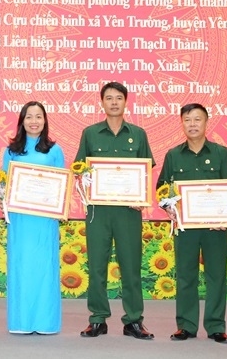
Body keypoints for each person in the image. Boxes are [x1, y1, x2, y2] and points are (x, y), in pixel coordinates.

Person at [74, 81, 155, 340]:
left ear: (125, 102)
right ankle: (98, 319)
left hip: (128, 211)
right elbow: (79, 168)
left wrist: (141, 197)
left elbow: (146, 170)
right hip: (98, 210)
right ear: (102, 103)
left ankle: (133, 320)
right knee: (97, 265)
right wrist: (85, 183)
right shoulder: (90, 133)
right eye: (108, 98)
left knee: (130, 266)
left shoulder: (138, 134)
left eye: (118, 98)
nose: (113, 102)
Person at [156, 103, 227, 344]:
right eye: (188, 120)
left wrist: (226, 218)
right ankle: (186, 326)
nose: (192, 124)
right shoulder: (173, 155)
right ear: (182, 123)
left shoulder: (222, 153)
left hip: (215, 228)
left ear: (206, 122)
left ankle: (216, 326)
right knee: (186, 276)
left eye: (197, 119)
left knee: (216, 276)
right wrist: (168, 205)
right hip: (185, 227)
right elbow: (162, 189)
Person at [1, 101, 64, 334]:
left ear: (45, 120)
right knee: (22, 267)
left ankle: (45, 322)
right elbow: (5, 183)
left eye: (38, 117)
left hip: (45, 220)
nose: (34, 121)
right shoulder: (12, 151)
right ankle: (21, 321)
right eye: (29, 117)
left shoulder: (54, 150)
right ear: (22, 121)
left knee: (44, 268)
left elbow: (62, 187)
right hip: (20, 219)